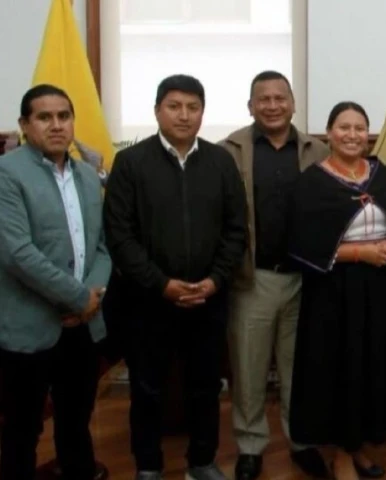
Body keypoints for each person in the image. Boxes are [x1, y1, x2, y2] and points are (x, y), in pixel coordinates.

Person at [103, 74, 247, 480]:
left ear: (203, 112)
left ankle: (201, 461)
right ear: (157, 111)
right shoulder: (131, 163)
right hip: (148, 302)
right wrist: (160, 283)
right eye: (174, 106)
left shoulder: (221, 162)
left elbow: (236, 229)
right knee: (148, 389)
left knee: (205, 387)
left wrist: (215, 280)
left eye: (193, 107)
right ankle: (148, 465)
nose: (184, 115)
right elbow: (120, 234)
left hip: (208, 298)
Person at [287, 101, 386, 480]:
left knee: (371, 367)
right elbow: (301, 243)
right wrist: (362, 252)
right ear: (329, 133)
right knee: (339, 370)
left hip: (380, 288)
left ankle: (358, 448)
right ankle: (340, 455)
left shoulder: (379, 174)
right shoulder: (312, 181)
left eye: (360, 128)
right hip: (333, 291)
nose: (353, 134)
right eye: (344, 127)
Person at [219, 70, 329, 480]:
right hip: (254, 278)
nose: (272, 105)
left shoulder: (318, 151)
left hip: (306, 279)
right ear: (250, 106)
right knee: (247, 370)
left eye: (279, 98)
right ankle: (250, 447)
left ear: (293, 103)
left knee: (298, 370)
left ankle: (301, 441)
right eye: (262, 99)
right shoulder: (229, 150)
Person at [0, 84, 111, 480]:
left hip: (81, 323)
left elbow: (101, 247)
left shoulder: (85, 175)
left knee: (75, 420)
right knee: (21, 428)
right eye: (44, 117)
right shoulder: (7, 174)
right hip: (29, 325)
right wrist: (78, 296)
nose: (57, 125)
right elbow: (17, 253)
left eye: (64, 116)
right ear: (24, 125)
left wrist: (92, 297)